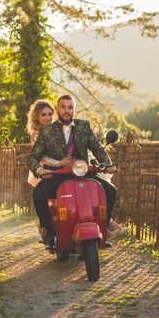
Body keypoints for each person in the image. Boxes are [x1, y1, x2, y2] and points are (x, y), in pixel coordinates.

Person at [30, 95, 122, 249]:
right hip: (59, 175)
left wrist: (107, 164)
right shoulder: (47, 130)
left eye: (70, 107)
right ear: (58, 109)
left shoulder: (84, 126)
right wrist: (40, 170)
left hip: (83, 172)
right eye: (63, 107)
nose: (67, 110)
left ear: (74, 109)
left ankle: (103, 229)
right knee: (39, 193)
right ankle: (51, 234)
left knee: (111, 191)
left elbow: (98, 149)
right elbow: (33, 157)